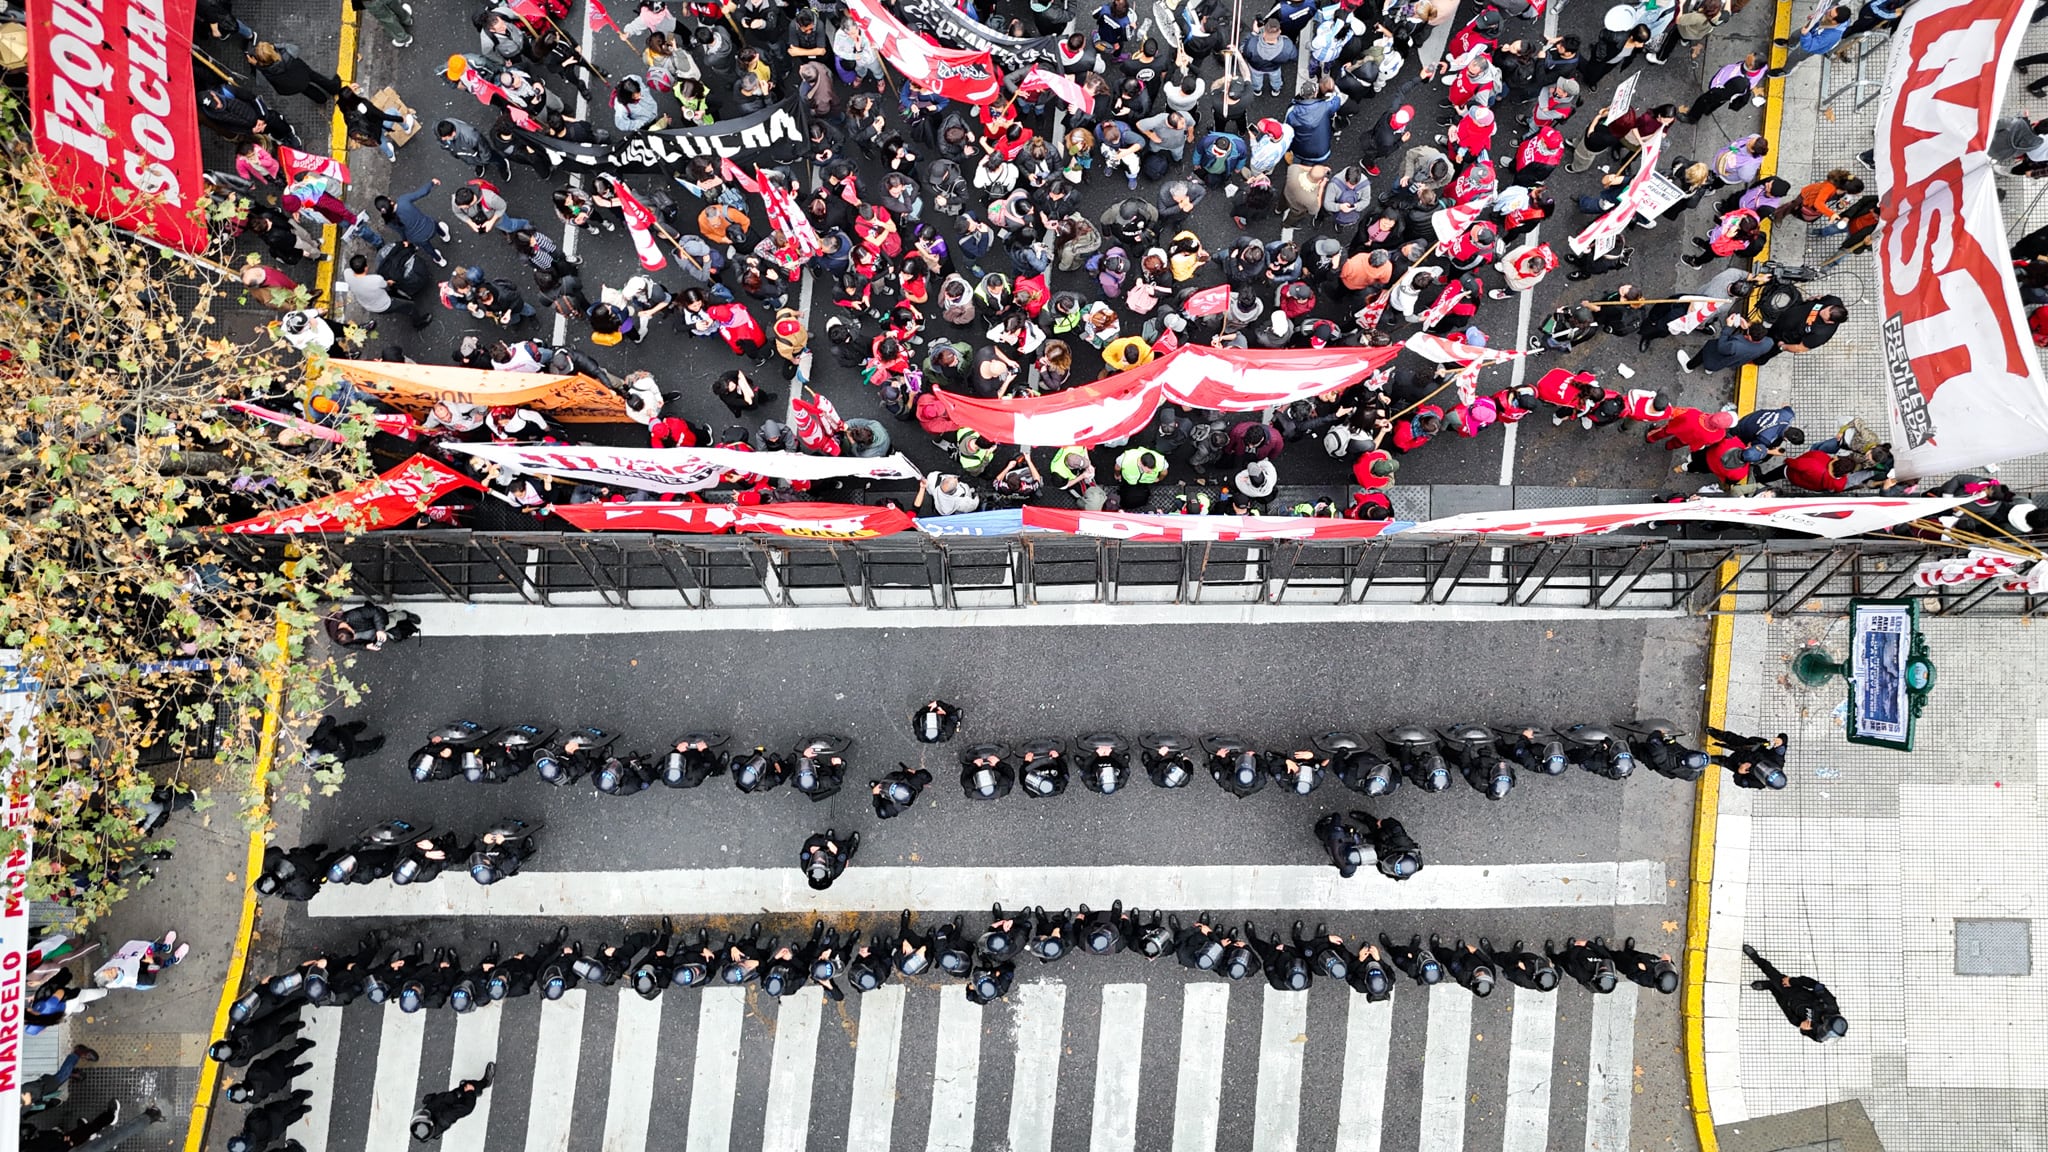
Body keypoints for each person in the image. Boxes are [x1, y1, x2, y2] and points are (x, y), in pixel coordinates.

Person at [1744, 945, 1848, 1041]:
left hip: (1792, 1012)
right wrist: (1792, 981)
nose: (1827, 1035)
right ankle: (1756, 957)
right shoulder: (1829, 1004)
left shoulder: (1822, 1034)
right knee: (1772, 973)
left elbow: (1811, 1035)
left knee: (1778, 996)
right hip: (1794, 991)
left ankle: (1770, 986)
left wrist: (1803, 1028)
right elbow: (1815, 985)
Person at [411, 1063, 495, 1142]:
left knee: (462, 1088)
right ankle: (485, 1082)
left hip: (448, 1098)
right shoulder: (446, 1116)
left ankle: (470, 1089)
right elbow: (467, 1108)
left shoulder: (427, 1122)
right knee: (469, 1086)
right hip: (457, 1100)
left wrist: (431, 1099)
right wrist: (470, 1092)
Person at [1708, 727, 1790, 790]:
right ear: (1777, 768)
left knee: (1725, 762)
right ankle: (1715, 733)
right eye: (1770, 770)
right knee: (1731, 738)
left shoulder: (1758, 784)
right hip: (1749, 749)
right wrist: (1781, 740)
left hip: (1739, 764)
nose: (1765, 770)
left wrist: (1739, 772)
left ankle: (1712, 760)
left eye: (1766, 775)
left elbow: (1740, 783)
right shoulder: (1778, 760)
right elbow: (1783, 741)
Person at [1314, 812, 1369, 878]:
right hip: (1339, 837)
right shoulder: (1350, 855)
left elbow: (1334, 849)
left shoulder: (1338, 855)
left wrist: (1337, 837)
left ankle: (1322, 825)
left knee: (1336, 817)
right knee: (1338, 821)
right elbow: (1356, 841)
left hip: (1333, 836)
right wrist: (1353, 834)